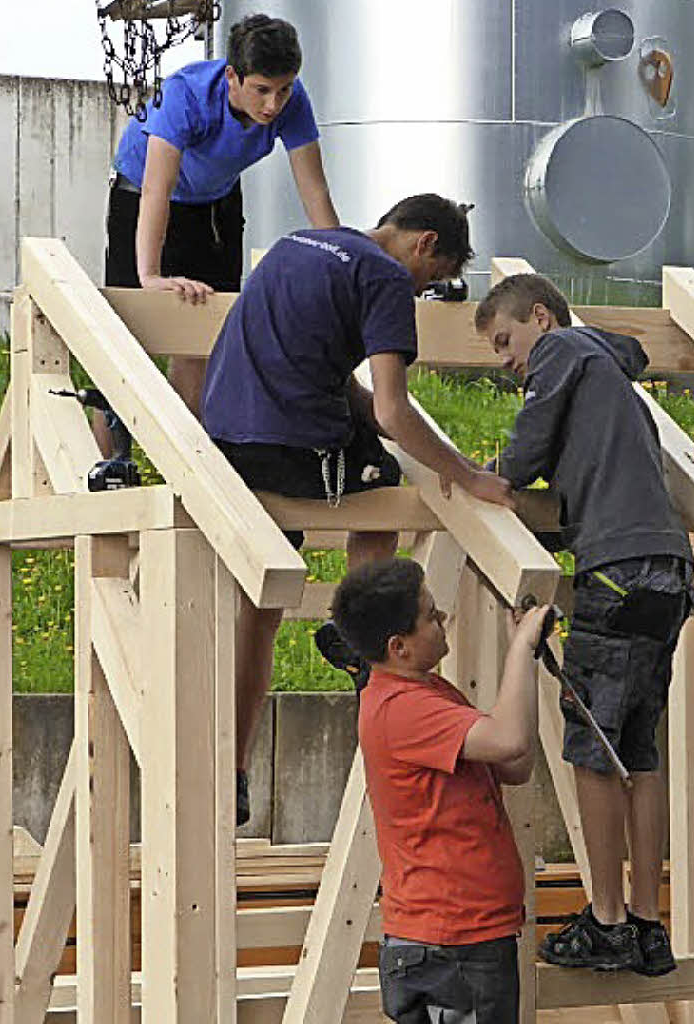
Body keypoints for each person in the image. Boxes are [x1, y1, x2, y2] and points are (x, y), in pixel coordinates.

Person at [202, 193, 513, 825]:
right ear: (424, 244)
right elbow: (393, 410)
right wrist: (465, 474)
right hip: (291, 445)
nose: (421, 292)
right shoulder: (385, 276)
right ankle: (361, 631)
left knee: (260, 607)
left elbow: (331, 377)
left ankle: (232, 769)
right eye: (432, 279)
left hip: (227, 439)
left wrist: (377, 423)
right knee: (385, 490)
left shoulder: (297, 243)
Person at [474, 273, 694, 976]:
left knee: (593, 748)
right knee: (638, 750)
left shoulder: (562, 351)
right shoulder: (607, 372)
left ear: (540, 317)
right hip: (666, 571)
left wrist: (489, 475)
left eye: (505, 341)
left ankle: (606, 920)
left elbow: (526, 451)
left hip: (616, 572)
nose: (506, 361)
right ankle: (647, 923)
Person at [331, 557, 546, 1024]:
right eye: (430, 615)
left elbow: (515, 764)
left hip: (464, 938)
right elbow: (510, 740)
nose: (442, 617)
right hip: (451, 943)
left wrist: (524, 659)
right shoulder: (402, 708)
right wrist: (521, 648)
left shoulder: (431, 693)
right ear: (399, 647)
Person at [105, 13, 340, 424]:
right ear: (233, 76)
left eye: (283, 91)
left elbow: (314, 190)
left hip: (215, 200)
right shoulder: (187, 94)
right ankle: (110, 450)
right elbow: (157, 189)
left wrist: (343, 263)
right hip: (143, 191)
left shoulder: (293, 100)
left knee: (206, 330)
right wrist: (150, 276)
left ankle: (190, 451)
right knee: (127, 337)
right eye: (262, 90)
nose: (273, 105)